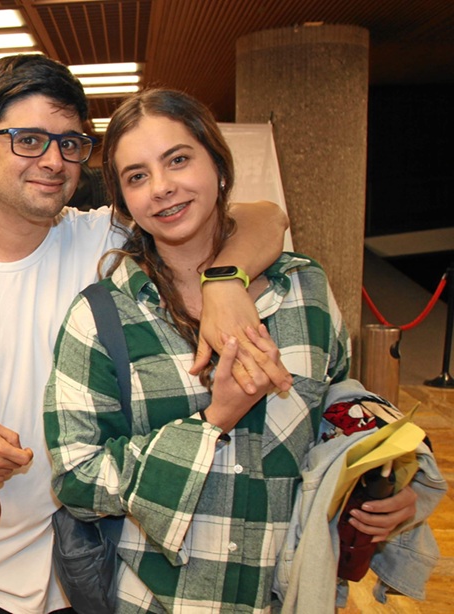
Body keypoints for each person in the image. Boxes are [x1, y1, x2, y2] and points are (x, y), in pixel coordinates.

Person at [0, 55, 291, 614]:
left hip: (102, 561)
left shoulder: (107, 238)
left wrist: (224, 280)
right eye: (29, 140)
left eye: (70, 143)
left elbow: (263, 216)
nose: (54, 161)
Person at [44, 88, 422, 612]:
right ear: (123, 203)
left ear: (218, 166)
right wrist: (212, 422)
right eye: (136, 176)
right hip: (160, 600)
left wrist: (380, 487)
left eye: (178, 160)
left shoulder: (304, 290)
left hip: (290, 593)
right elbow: (77, 477)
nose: (162, 188)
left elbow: (336, 407)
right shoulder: (102, 317)